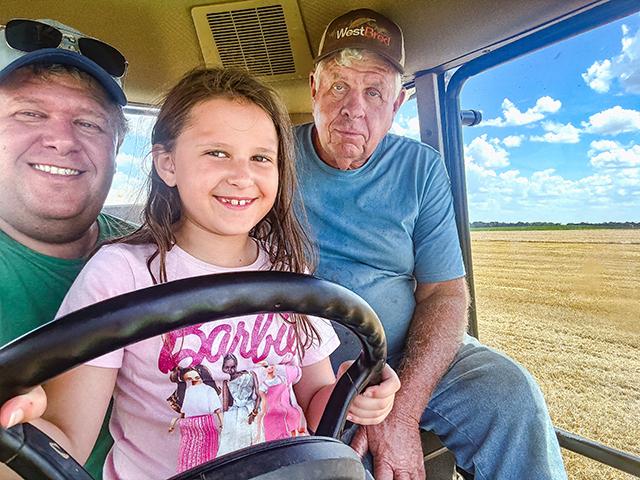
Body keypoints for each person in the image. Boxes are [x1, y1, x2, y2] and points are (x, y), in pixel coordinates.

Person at [0, 66, 401, 479]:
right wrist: (17, 434)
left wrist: (354, 393)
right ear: (167, 164)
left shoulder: (288, 270)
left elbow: (317, 401)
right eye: (217, 153)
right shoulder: (120, 273)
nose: (242, 175)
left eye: (261, 158)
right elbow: (67, 437)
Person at [294, 8, 567, 480]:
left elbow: (443, 292)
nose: (353, 107)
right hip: (310, 364)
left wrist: (402, 411)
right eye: (339, 86)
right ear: (314, 89)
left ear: (396, 105)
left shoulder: (421, 168)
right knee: (332, 461)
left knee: (509, 393)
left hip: (409, 351)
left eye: (374, 91)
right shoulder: (271, 158)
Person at [0, 18, 131, 478]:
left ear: (117, 146)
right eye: (30, 113)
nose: (62, 139)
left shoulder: (156, 253)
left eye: (88, 122)